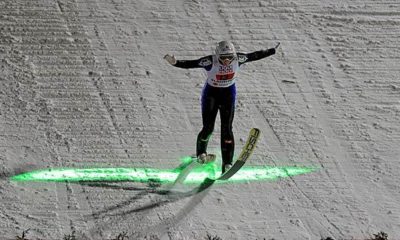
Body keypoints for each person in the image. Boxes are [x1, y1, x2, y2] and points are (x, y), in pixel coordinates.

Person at [164, 41, 280, 173]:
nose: (226, 61)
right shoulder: (210, 61)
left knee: (227, 129)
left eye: (229, 58)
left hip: (227, 95)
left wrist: (272, 51)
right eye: (223, 58)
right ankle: (201, 153)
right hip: (211, 95)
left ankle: (227, 163)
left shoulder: (238, 59)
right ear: (217, 55)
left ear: (234, 56)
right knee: (208, 127)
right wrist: (176, 63)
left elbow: (255, 55)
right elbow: (192, 63)